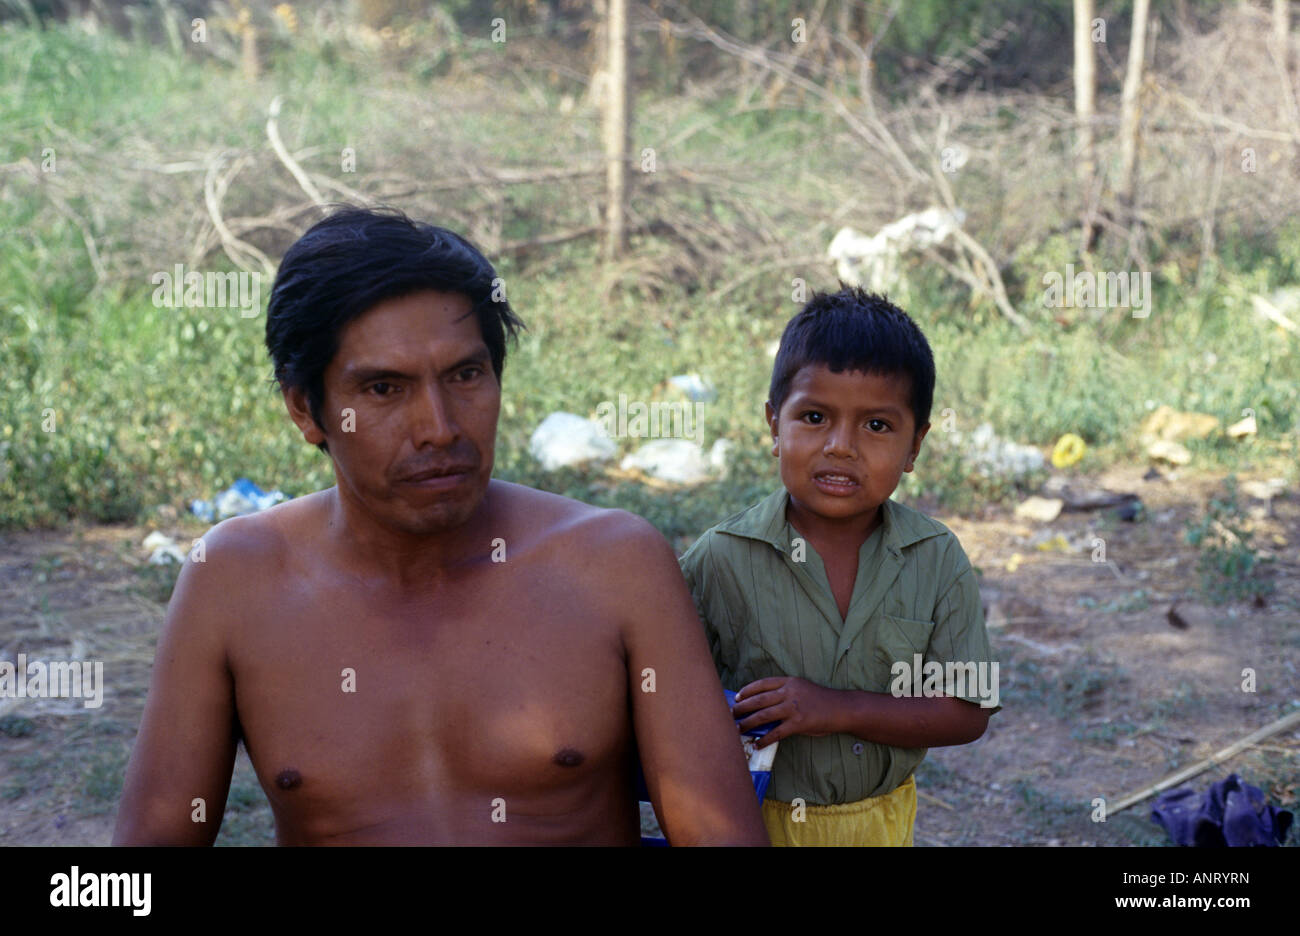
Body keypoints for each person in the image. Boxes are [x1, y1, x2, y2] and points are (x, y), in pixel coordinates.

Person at [113, 206, 767, 846]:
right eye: (383, 389)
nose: (440, 428)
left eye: (465, 375)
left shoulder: (613, 564)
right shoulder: (235, 581)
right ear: (305, 409)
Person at [679, 287, 1000, 846]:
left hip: (882, 822)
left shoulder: (935, 556)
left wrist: (835, 708)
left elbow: (966, 713)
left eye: (877, 426)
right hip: (752, 823)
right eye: (814, 416)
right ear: (774, 425)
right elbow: (669, 705)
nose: (841, 446)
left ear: (915, 445)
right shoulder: (721, 558)